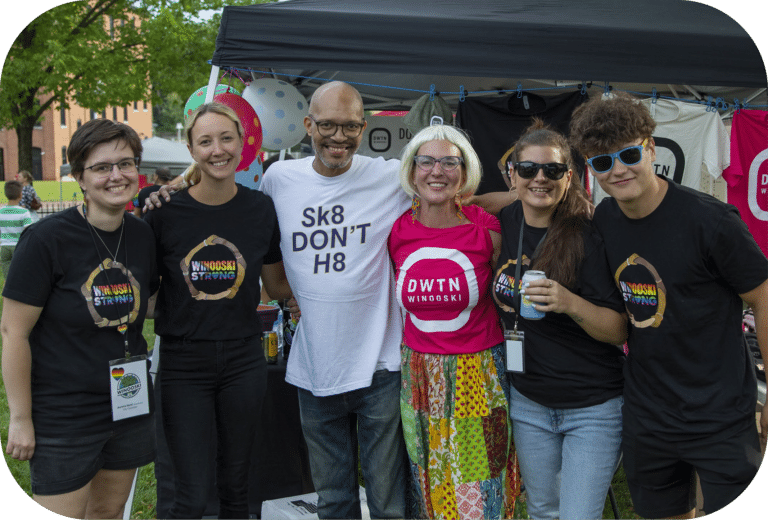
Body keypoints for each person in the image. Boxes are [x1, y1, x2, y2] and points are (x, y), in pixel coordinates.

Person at [569, 93, 768, 519]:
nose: (618, 169)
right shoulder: (604, 221)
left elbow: (764, 298)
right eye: (602, 162)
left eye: (628, 154)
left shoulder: (711, 221)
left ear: (651, 148)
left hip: (721, 414)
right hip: (649, 414)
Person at [1, 118, 159, 519]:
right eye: (102, 167)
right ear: (79, 178)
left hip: (128, 404)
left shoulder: (142, 236)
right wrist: (20, 418)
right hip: (65, 413)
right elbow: (13, 332)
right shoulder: (45, 240)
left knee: (108, 511)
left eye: (125, 164)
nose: (116, 175)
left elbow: (150, 305)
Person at [143, 102, 292, 520]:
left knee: (237, 488)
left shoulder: (260, 209)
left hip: (243, 359)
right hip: (183, 362)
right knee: (189, 495)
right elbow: (146, 292)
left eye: (226, 138)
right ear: (191, 148)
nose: (217, 149)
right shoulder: (164, 211)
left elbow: (276, 285)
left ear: (242, 144)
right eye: (205, 141)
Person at [491, 120, 628, 520]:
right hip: (529, 401)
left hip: (592, 407)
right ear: (512, 175)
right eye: (529, 169)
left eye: (552, 170)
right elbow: (470, 201)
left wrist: (570, 302)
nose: (540, 178)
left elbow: (618, 329)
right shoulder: (507, 219)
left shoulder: (589, 233)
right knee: (543, 511)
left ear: (569, 177)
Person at [388, 124, 520, 519]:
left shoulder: (486, 228)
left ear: (464, 173)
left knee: (478, 487)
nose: (437, 171)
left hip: (475, 375)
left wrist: (470, 199)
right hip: (419, 376)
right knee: (428, 480)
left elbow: (524, 196)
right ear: (411, 171)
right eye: (426, 161)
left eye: (450, 162)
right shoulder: (397, 230)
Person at [1, 180, 34, 278]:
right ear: (20, 195)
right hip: (19, 247)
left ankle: (5, 292)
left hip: (4, 247)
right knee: (20, 276)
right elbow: (29, 230)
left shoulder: (1, 211)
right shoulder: (24, 212)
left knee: (8, 277)